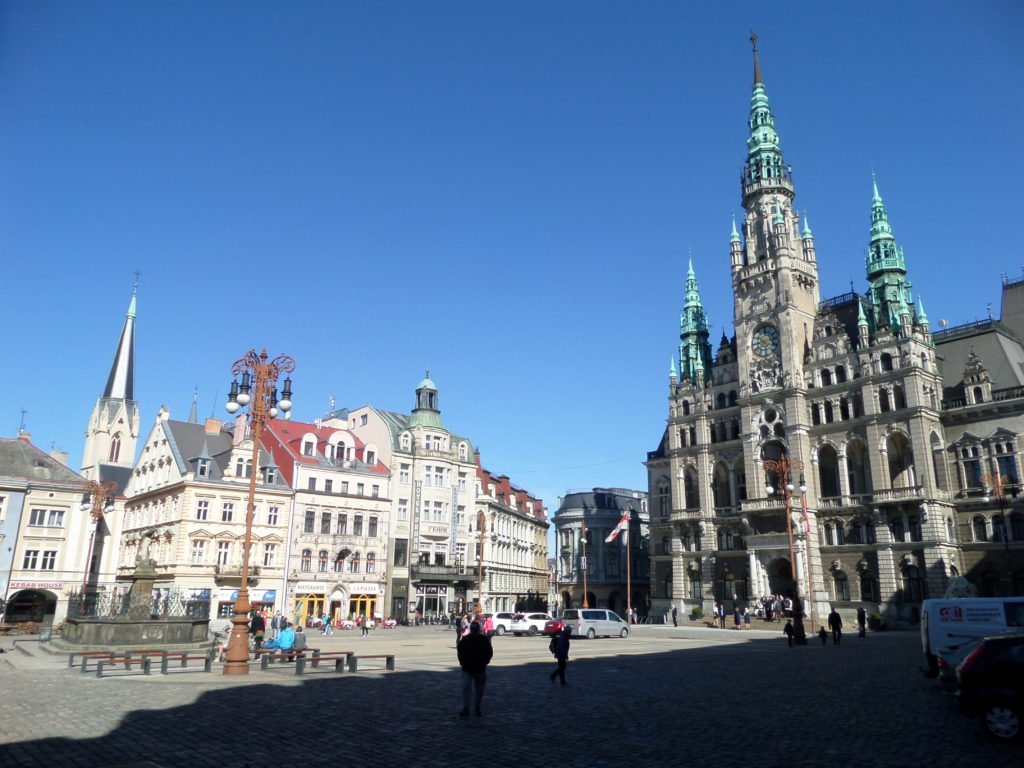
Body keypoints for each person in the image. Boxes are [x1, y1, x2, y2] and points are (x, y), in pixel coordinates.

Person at [456, 621, 493, 717]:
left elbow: (489, 652)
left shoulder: (483, 640)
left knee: (478, 690)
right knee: (467, 689)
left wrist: (485, 662)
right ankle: (467, 708)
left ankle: (477, 707)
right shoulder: (466, 639)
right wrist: (462, 662)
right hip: (468, 669)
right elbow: (460, 651)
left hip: (479, 669)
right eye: (473, 630)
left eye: (475, 630)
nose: (474, 631)